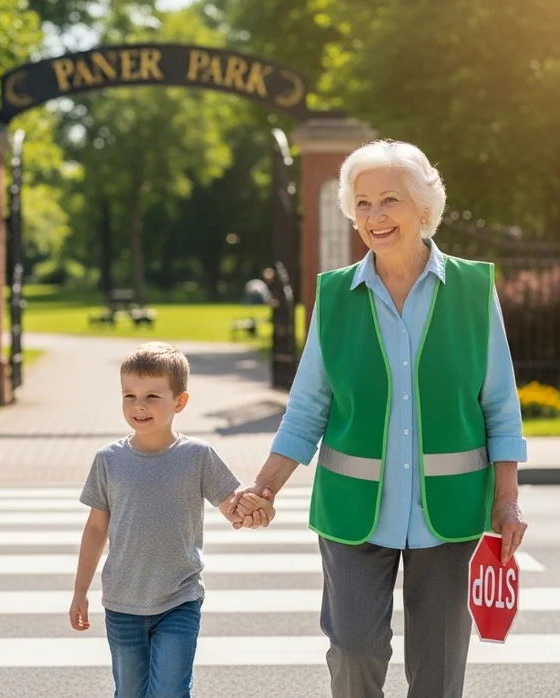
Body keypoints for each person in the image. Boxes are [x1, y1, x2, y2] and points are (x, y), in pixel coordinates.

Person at [231, 139, 529, 698]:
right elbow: (308, 406)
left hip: (450, 509)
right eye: (362, 203)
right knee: (353, 650)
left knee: (438, 670)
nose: (375, 216)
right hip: (351, 511)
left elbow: (499, 403)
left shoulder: (472, 289)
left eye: (389, 200)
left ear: (423, 207)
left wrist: (506, 498)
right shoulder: (335, 295)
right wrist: (265, 487)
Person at [69, 341, 273, 698]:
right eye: (129, 395)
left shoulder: (197, 456)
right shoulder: (108, 460)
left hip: (180, 599)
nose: (139, 405)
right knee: (130, 692)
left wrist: (252, 507)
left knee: (170, 691)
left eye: (151, 396)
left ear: (180, 402)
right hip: (122, 603)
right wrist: (79, 592)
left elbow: (231, 504)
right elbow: (96, 528)